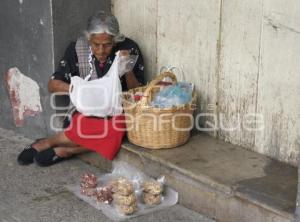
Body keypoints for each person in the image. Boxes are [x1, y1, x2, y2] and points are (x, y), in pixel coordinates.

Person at [17, 11, 144, 166]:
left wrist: (128, 68)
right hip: (87, 110)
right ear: (89, 39)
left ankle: (63, 149)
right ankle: (50, 143)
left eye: (107, 44)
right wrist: (80, 90)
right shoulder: (77, 48)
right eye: (96, 44)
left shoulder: (129, 49)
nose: (101, 50)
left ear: (115, 40)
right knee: (84, 125)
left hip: (117, 111)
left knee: (117, 130)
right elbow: (52, 84)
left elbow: (139, 92)